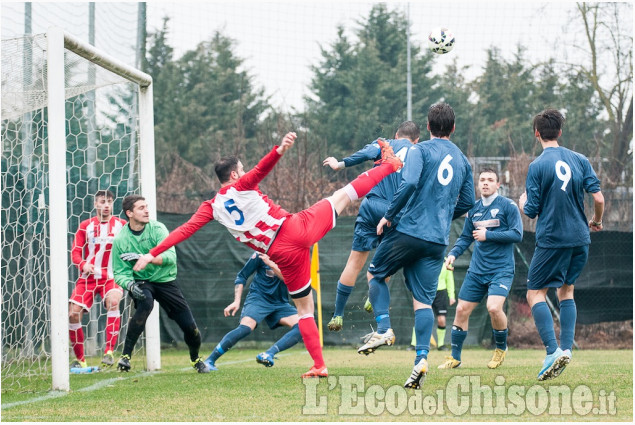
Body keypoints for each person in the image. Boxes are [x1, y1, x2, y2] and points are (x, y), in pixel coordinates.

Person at [131, 131, 403, 378]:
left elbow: (184, 230)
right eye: (242, 169)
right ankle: (390, 165)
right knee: (343, 194)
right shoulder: (242, 186)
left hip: (280, 255)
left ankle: (320, 365)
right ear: (235, 175)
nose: (245, 172)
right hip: (295, 230)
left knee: (305, 310)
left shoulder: (211, 207)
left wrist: (150, 253)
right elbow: (261, 170)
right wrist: (279, 150)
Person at [358, 102, 475, 390]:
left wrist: (389, 215)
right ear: (454, 127)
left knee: (375, 273)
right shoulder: (462, 160)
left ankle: (384, 328)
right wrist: (444, 213)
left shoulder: (421, 151)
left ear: (428, 126)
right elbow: (469, 201)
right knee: (423, 301)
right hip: (437, 240)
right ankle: (421, 359)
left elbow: (408, 183)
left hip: (408, 230)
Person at [519, 109, 604, 381]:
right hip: (580, 238)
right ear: (560, 132)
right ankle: (566, 348)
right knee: (566, 291)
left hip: (552, 239)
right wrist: (597, 221)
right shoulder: (580, 159)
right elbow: (599, 198)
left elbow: (531, 210)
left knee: (535, 293)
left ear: (536, 134)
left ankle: (552, 351)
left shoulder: (537, 165)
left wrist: (522, 202)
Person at [322, 121, 420, 332]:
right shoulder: (418, 152)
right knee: (385, 261)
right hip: (395, 212)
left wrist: (340, 164)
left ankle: (338, 315)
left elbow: (363, 155)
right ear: (417, 139)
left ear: (396, 134)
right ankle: (373, 294)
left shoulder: (384, 144)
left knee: (354, 262)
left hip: (371, 206)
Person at [112, 195, 210, 373]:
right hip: (141, 282)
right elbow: (120, 272)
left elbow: (171, 258)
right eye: (141, 208)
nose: (147, 210)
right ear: (129, 213)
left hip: (165, 281)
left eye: (147, 206)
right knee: (146, 303)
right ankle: (125, 356)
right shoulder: (121, 240)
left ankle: (195, 358)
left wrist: (146, 259)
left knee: (191, 328)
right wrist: (130, 285)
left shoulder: (158, 229)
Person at [438, 168, 523, 370]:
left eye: (490, 180)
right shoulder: (474, 210)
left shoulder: (508, 206)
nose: (485, 183)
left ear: (497, 184)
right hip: (477, 271)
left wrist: (489, 235)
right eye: (482, 179)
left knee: (493, 308)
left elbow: (517, 234)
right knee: (461, 310)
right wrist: (453, 254)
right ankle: (455, 358)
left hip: (501, 269)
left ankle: (501, 349)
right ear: (478, 184)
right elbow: (466, 237)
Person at [204, 252, 302, 370]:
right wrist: (236, 301)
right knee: (245, 328)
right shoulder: (260, 254)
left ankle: (268, 354)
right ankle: (210, 360)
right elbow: (242, 276)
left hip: (280, 303)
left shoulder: (292, 256)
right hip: (258, 299)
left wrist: (270, 264)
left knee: (302, 326)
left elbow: (289, 279)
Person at [69, 189, 126, 368]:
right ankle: (81, 360)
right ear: (95, 204)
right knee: (73, 314)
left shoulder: (122, 225)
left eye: (109, 201)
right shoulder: (86, 225)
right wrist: (83, 264)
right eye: (102, 201)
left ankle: (109, 352)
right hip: (89, 277)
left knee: (114, 301)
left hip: (111, 276)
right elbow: (76, 252)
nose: (106, 205)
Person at [408, 260, 456, 351]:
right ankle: (414, 344)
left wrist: (451, 296)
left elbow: (449, 279)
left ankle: (441, 345)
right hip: (426, 291)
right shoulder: (425, 259)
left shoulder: (447, 262)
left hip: (440, 293)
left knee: (442, 320)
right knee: (420, 317)